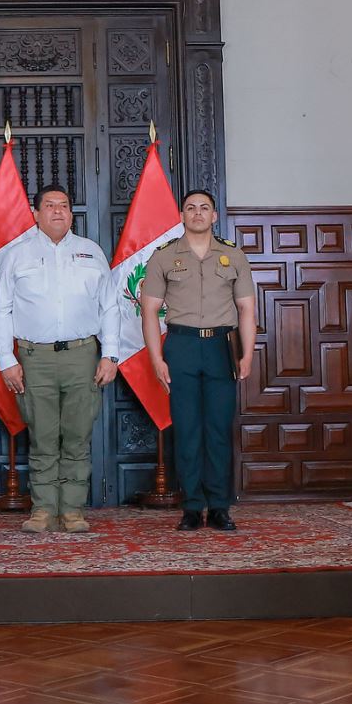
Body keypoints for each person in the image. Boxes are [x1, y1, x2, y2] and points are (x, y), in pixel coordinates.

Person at [0, 184, 122, 533]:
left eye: (64, 205)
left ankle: (73, 509)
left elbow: (109, 307)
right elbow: (0, 310)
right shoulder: (17, 255)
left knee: (77, 435)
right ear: (36, 213)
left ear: (71, 213)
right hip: (35, 358)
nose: (58, 211)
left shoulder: (92, 253)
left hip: (82, 355)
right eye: (50, 205)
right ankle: (44, 509)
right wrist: (6, 359)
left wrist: (110, 355)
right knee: (43, 436)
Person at [138, 190, 256, 531]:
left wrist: (247, 354)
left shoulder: (234, 256)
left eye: (204, 208)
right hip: (182, 346)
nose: (198, 213)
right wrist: (156, 358)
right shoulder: (163, 257)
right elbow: (149, 312)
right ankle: (191, 507)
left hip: (222, 348)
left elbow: (247, 308)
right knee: (187, 430)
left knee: (218, 430)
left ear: (214, 216)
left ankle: (219, 506)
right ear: (182, 216)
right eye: (191, 208)